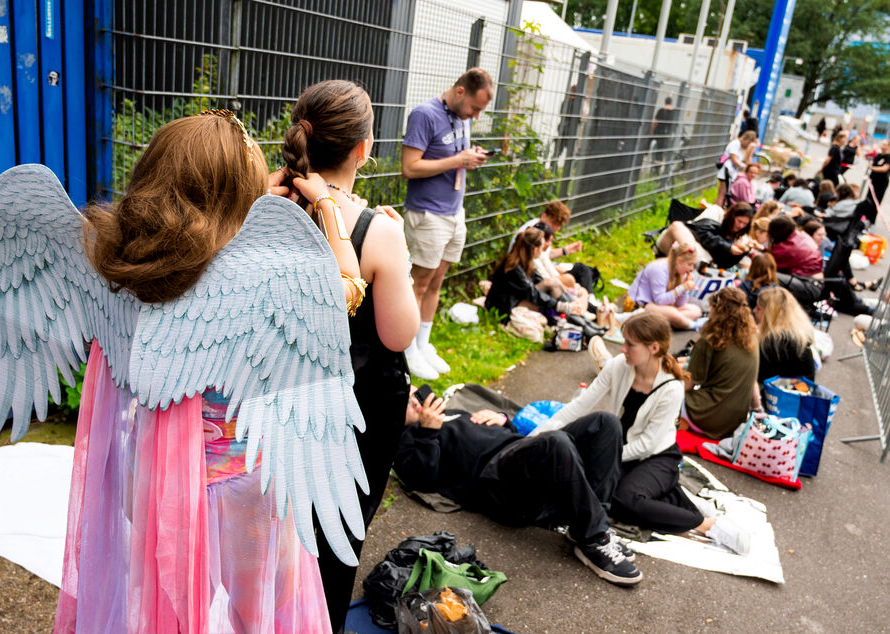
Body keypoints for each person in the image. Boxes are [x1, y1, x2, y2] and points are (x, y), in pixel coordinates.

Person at [55, 112, 365, 632]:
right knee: (264, 611)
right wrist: (328, 208)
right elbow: (346, 291)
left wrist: (241, 196)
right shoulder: (264, 278)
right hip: (240, 486)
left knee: (166, 604)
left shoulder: (118, 262)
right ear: (237, 192)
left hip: (151, 475)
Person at [282, 80, 421, 633]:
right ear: (364, 149)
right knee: (336, 536)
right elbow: (397, 335)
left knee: (277, 525)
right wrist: (398, 250)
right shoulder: (377, 231)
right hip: (356, 408)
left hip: (279, 394)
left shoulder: (269, 207)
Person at [393, 385, 643, 585]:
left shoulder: (450, 412)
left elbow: (509, 438)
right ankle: (594, 540)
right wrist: (428, 432)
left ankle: (591, 527)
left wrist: (503, 420)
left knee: (605, 422)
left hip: (520, 459)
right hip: (496, 486)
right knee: (556, 442)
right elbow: (421, 479)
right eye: (404, 402)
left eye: (413, 393)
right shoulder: (407, 440)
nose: (415, 401)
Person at [562, 314, 751, 554]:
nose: (623, 348)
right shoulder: (620, 365)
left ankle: (706, 525)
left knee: (622, 500)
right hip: (625, 450)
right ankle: (676, 499)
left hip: (658, 457)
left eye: (630, 344)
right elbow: (580, 405)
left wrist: (604, 457)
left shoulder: (671, 387)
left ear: (653, 348)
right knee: (595, 491)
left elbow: (647, 445)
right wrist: (538, 436)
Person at [401, 68, 494, 379]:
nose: (476, 116)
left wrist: (471, 156)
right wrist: (458, 161)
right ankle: (406, 351)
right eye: (475, 108)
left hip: (455, 212)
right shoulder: (424, 115)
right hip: (428, 215)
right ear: (460, 92)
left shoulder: (461, 117)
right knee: (418, 284)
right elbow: (410, 167)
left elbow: (455, 153)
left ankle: (423, 344)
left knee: (437, 282)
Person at [682, 287, 759, 439]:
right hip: (734, 423)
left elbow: (689, 383)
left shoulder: (711, 339)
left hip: (706, 415)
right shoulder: (752, 339)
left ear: (717, 310)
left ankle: (681, 422)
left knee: (665, 393)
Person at [485, 227, 582, 322]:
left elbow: (539, 280)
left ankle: (581, 318)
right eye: (541, 247)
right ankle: (580, 323)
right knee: (551, 291)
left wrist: (563, 300)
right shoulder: (514, 267)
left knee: (553, 283)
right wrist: (559, 305)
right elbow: (532, 293)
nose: (542, 250)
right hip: (504, 307)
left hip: (517, 299)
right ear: (535, 249)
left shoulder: (525, 260)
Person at [655, 203, 756, 269]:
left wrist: (744, 251)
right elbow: (701, 232)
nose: (740, 226)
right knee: (677, 226)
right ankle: (695, 262)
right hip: (680, 242)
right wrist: (728, 247)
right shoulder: (717, 213)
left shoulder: (741, 237)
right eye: (739, 221)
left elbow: (725, 264)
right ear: (732, 216)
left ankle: (694, 264)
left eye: (745, 224)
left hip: (701, 263)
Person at [627, 241, 702, 329]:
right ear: (678, 260)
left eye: (693, 264)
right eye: (689, 264)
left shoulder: (681, 272)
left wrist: (685, 289)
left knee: (696, 311)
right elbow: (660, 300)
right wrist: (682, 288)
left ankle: (668, 322)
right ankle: (691, 325)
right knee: (673, 314)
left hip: (663, 307)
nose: (691, 268)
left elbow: (680, 304)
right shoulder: (659, 269)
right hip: (642, 306)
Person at [754, 287, 816, 384]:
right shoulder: (797, 334)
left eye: (758, 308)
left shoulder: (773, 343)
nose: (754, 310)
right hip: (800, 392)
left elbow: (758, 377)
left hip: (780, 394)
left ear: (769, 314)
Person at [716, 130, 757, 207]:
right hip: (726, 172)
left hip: (732, 174)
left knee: (725, 195)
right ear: (746, 139)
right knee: (722, 194)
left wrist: (751, 151)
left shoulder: (742, 147)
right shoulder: (735, 144)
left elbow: (748, 162)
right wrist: (744, 166)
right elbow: (734, 159)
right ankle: (716, 210)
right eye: (748, 143)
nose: (747, 145)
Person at [650, 97, 677, 166]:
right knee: (662, 148)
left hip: (659, 132)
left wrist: (651, 131)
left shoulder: (661, 110)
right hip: (668, 133)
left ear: (665, 102)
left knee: (655, 145)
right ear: (671, 102)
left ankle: (655, 160)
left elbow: (655, 122)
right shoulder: (674, 112)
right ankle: (662, 162)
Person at [868, 139, 890, 205]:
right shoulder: (879, 155)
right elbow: (868, 156)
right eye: (882, 144)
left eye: (885, 145)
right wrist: (874, 149)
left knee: (875, 201)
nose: (882, 146)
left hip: (881, 182)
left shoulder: (888, 157)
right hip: (873, 180)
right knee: (869, 199)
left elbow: (884, 169)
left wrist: (872, 168)